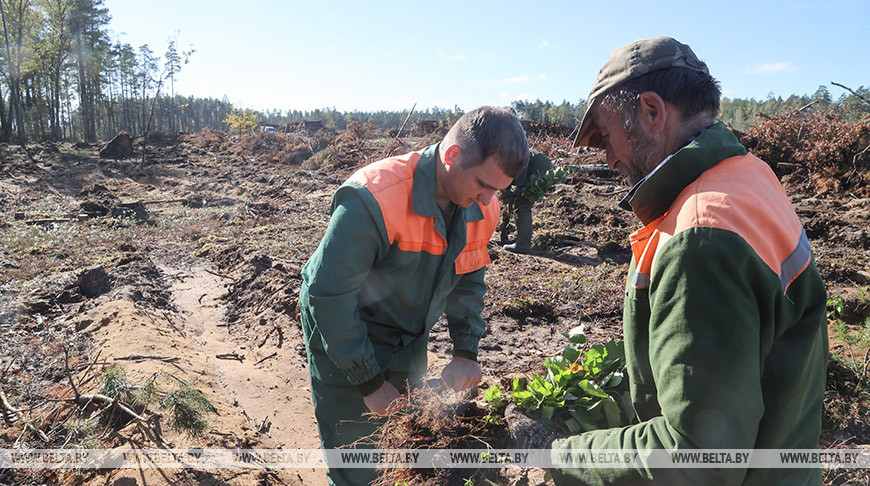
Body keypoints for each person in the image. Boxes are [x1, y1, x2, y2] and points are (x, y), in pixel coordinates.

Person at [507, 37, 828, 484]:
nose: (608, 156)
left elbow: (695, 458)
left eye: (606, 134)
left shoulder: (700, 237)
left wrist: (558, 453)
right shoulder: (749, 177)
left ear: (652, 112)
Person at [300, 106, 529, 486]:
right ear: (453, 155)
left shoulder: (480, 208)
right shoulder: (374, 197)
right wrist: (369, 383)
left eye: (497, 191)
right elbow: (329, 295)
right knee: (357, 461)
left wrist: (465, 351)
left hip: (408, 331)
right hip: (343, 328)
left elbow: (470, 279)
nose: (489, 200)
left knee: (408, 449)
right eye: (483, 185)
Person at [500, 150, 553, 253]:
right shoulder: (506, 155)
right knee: (519, 206)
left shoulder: (514, 153)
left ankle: (523, 245)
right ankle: (520, 240)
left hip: (539, 175)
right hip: (539, 173)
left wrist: (519, 188)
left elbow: (522, 169)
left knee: (522, 207)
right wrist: (506, 190)